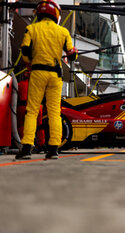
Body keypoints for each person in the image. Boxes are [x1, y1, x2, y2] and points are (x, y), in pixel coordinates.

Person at [16, 0, 78, 160]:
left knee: (32, 110)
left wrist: (31, 61)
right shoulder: (63, 32)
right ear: (56, 15)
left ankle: (27, 147)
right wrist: (73, 53)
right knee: (54, 113)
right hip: (55, 76)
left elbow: (25, 52)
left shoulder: (31, 29)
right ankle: (53, 149)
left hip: (37, 73)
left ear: (39, 13)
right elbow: (72, 55)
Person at [17, 70, 45, 152]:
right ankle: (41, 145)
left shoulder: (20, 84)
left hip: (23, 106)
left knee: (21, 125)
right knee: (39, 126)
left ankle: (25, 145)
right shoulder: (38, 85)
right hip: (38, 106)